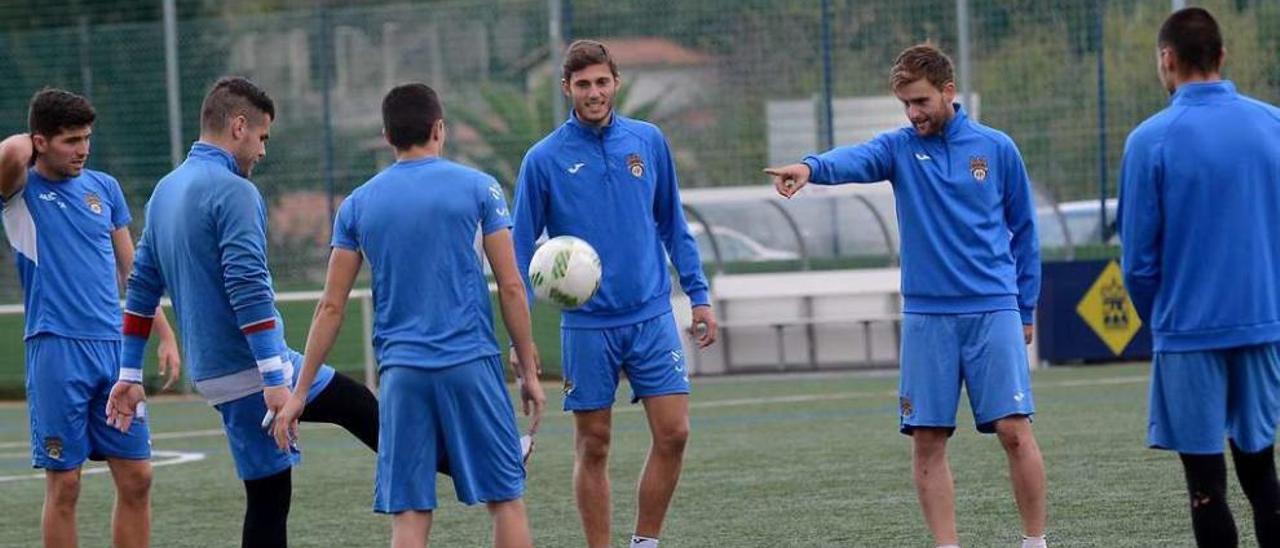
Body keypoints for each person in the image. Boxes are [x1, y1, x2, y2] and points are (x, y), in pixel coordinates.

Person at [766, 44, 1046, 548]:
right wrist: (810, 168)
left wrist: (1025, 306)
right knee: (928, 440)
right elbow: (854, 159)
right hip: (927, 317)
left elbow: (1024, 231)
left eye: (920, 102)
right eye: (905, 105)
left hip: (993, 309)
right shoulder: (898, 149)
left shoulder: (997, 148)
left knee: (1015, 430)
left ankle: (1035, 542)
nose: (913, 114)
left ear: (948, 92)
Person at [105, 76, 379, 548]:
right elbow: (249, 290)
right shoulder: (234, 190)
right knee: (358, 412)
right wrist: (276, 381)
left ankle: (469, 460)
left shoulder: (166, 190)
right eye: (262, 137)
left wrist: (130, 373)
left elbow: (142, 286)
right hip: (251, 371)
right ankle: (479, 464)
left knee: (271, 493)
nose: (263, 151)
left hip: (213, 372)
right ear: (238, 127)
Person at [273, 83, 545, 548]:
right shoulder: (480, 187)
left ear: (386, 136)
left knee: (410, 514)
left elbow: (331, 305)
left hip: (402, 376)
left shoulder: (357, 204)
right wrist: (529, 369)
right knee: (505, 500)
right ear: (440, 128)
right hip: (471, 366)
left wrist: (300, 392)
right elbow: (513, 286)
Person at [511, 39, 717, 548]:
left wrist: (699, 295)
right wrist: (521, 339)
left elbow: (673, 224)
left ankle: (645, 541)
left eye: (602, 82)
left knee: (675, 433)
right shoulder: (543, 159)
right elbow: (517, 253)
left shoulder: (647, 141)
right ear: (567, 89)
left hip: (650, 315)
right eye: (583, 84)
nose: (594, 92)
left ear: (616, 82)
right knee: (595, 444)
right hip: (587, 326)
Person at [1117, 8, 1280, 547]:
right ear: (1222, 56)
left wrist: (1161, 318)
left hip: (1188, 332)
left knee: (1205, 486)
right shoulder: (1272, 125)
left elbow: (1139, 260)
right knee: (1263, 476)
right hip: (1262, 326)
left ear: (1167, 60)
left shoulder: (1150, 140)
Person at [0, 88, 180, 548]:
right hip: (56, 347)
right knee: (66, 484)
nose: (82, 149)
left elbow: (132, 271)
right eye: (70, 140)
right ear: (40, 141)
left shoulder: (105, 187)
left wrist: (163, 333)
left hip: (115, 351)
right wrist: (31, 138)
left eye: (87, 138)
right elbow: (9, 152)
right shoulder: (20, 190)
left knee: (138, 475)